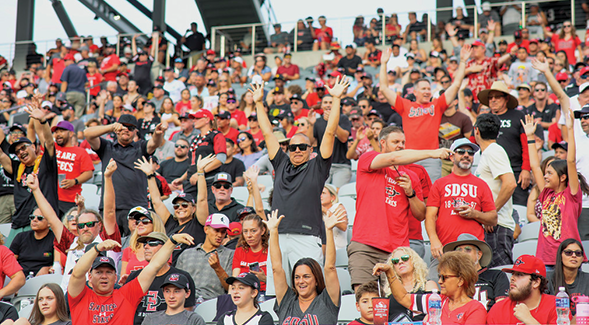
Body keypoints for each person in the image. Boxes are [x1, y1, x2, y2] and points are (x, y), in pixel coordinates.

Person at [249, 77, 349, 295]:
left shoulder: (318, 166)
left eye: (302, 147)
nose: (296, 150)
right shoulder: (281, 162)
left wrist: (336, 98)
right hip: (277, 236)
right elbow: (267, 133)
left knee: (309, 292)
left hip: (307, 237)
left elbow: (330, 132)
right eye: (293, 147)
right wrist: (258, 103)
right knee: (277, 293)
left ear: (309, 150)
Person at [349, 126, 449, 288]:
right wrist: (432, 153)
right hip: (365, 246)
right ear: (382, 142)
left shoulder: (411, 176)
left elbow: (420, 214)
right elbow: (394, 158)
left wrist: (410, 193)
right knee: (365, 298)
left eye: (403, 142)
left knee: (397, 302)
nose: (401, 145)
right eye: (396, 142)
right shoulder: (368, 159)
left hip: (397, 253)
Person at [379, 45, 470, 181]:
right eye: (423, 89)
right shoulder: (405, 105)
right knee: (409, 194)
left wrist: (462, 61)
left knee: (431, 196)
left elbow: (456, 84)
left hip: (431, 158)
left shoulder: (437, 105)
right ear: (415, 92)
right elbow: (384, 88)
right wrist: (383, 63)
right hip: (409, 157)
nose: (427, 91)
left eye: (429, 88)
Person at [67, 230, 193, 324]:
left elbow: (154, 266)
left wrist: (172, 241)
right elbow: (77, 273)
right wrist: (97, 248)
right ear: (90, 276)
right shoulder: (80, 296)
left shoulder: (126, 296)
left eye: (109, 272)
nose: (104, 276)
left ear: (116, 277)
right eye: (99, 272)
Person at [29, 160, 120, 290]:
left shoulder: (107, 241)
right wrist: (36, 189)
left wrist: (108, 177)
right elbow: (52, 219)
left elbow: (110, 212)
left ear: (99, 225)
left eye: (89, 224)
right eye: (81, 226)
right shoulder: (72, 243)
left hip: (99, 300)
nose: (85, 228)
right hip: (71, 301)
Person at [523, 110, 589, 266]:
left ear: (563, 177)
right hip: (545, 258)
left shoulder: (571, 194)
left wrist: (571, 129)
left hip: (568, 259)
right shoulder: (546, 194)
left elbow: (571, 161)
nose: (545, 176)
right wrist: (530, 137)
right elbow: (534, 166)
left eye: (549, 173)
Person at [425, 138, 497, 278]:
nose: (466, 155)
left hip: (472, 254)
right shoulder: (439, 184)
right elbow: (430, 216)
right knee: (435, 291)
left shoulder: (481, 185)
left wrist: (474, 213)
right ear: (452, 157)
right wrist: (434, 241)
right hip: (444, 250)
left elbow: (493, 218)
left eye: (470, 153)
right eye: (461, 151)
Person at [84, 114, 166, 236]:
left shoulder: (141, 147)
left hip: (136, 207)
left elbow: (154, 143)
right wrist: (111, 127)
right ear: (117, 129)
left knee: (135, 247)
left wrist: (158, 134)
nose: (126, 130)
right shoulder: (106, 147)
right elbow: (87, 133)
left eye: (130, 128)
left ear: (135, 132)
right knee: (109, 247)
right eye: (123, 127)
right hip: (109, 208)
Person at [266, 208, 343, 324]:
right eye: (297, 277)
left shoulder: (327, 302)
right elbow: (276, 268)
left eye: (306, 276)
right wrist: (273, 231)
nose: (300, 281)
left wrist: (328, 230)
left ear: (316, 280)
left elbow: (330, 268)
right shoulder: (287, 301)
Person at [0, 100, 58, 247]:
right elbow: (1, 154)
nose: (21, 152)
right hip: (19, 223)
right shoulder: (16, 168)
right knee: (8, 260)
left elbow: (49, 143)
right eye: (17, 151)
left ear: (33, 146)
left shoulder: (46, 163)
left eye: (23, 148)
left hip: (44, 220)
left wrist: (43, 121)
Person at [373, 251, 487, 324]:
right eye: (439, 277)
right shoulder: (436, 301)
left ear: (461, 280)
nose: (439, 281)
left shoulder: (475, 309)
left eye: (444, 277)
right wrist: (389, 272)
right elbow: (403, 297)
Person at [478, 81, 536, 206]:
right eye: (490, 97)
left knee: (518, 207)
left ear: (506, 99)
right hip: (490, 170)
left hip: (515, 169)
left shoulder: (517, 116)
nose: (493, 100)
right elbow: (474, 141)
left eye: (497, 97)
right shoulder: (484, 118)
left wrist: (526, 169)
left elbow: (526, 145)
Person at [473, 114, 518, 268]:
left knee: (502, 277)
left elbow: (510, 183)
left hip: (497, 226)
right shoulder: (486, 153)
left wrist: (490, 213)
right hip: (492, 224)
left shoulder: (494, 150)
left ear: (476, 131)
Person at [125, 232, 197, 325]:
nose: (146, 247)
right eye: (145, 244)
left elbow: (186, 313)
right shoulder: (135, 276)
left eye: (152, 243)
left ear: (165, 247)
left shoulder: (182, 276)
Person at [443, 233, 510, 311]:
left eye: (468, 250)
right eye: (459, 251)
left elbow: (502, 308)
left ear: (479, 254)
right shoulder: (452, 279)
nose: (462, 253)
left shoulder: (496, 275)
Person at [175, 213, 234, 300]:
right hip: (186, 302)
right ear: (206, 229)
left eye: (223, 232)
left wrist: (218, 268)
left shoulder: (231, 254)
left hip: (213, 303)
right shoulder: (186, 254)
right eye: (216, 230)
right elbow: (176, 282)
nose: (220, 235)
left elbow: (231, 288)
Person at [487, 254, 558, 324]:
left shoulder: (556, 305)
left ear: (536, 282)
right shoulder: (499, 308)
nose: (512, 278)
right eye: (513, 274)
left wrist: (529, 320)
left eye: (519, 275)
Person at [307, 93, 352, 188]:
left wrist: (332, 121)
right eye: (325, 102)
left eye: (331, 102)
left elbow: (344, 138)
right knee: (321, 194)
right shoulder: (317, 122)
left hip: (341, 165)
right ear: (321, 105)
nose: (328, 105)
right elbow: (310, 142)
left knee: (337, 193)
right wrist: (311, 125)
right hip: (323, 165)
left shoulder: (343, 118)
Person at [384, 247, 438, 321]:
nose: (400, 262)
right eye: (395, 261)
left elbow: (435, 313)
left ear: (414, 261)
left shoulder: (428, 285)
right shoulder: (389, 290)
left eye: (405, 258)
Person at [52, 120, 94, 216]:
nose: (58, 134)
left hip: (71, 200)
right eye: (56, 132)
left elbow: (88, 173)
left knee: (69, 229)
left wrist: (74, 181)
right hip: (52, 198)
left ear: (71, 133)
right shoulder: (53, 148)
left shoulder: (81, 152)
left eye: (61, 131)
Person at [138, 272, 203, 325]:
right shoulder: (151, 319)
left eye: (176, 291)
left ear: (187, 293)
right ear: (163, 293)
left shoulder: (194, 320)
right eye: (167, 291)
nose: (171, 296)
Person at [9, 206, 55, 277]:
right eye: (32, 217)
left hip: (44, 279)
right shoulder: (21, 237)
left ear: (49, 222)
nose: (34, 220)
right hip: (20, 279)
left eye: (39, 218)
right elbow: (9, 262)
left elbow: (59, 265)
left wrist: (48, 268)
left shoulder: (55, 239)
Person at [547, 238, 589, 315]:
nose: (574, 256)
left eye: (578, 253)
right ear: (560, 256)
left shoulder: (587, 279)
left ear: (582, 258)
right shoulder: (548, 278)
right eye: (568, 253)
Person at [121, 207, 166, 276]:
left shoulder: (163, 248)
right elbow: (122, 280)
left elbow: (164, 274)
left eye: (145, 221)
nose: (139, 224)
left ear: (155, 224)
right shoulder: (128, 250)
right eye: (138, 222)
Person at [4, 283, 69, 325]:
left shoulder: (68, 324)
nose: (44, 303)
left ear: (59, 301)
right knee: (8, 322)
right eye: (40, 299)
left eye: (49, 298)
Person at [321, 184, 348, 251]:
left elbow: (343, 226)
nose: (320, 196)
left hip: (338, 249)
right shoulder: (316, 211)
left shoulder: (338, 207)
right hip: (322, 249)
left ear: (333, 197)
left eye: (323, 193)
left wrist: (325, 210)